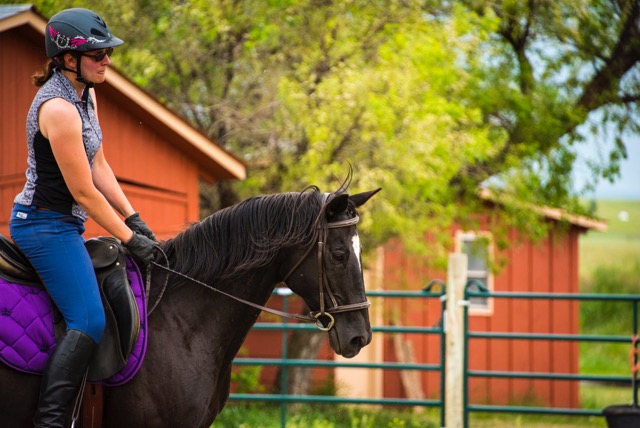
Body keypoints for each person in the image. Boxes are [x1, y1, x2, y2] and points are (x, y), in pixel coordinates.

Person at [9, 8, 157, 427]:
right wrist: (131, 240)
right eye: (98, 54)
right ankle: (51, 421)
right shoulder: (58, 109)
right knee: (89, 318)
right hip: (42, 226)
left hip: (67, 224)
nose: (107, 60)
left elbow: (99, 166)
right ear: (68, 58)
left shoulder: (86, 94)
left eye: (107, 53)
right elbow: (83, 192)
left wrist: (135, 217)